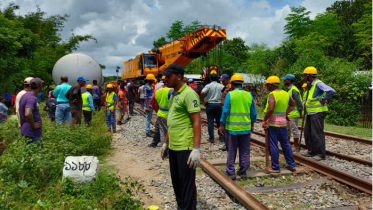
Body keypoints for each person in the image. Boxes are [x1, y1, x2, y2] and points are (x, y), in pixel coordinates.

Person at [160, 63, 201, 210]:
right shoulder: (173, 94)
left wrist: (196, 149)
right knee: (176, 182)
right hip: (174, 146)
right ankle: (180, 207)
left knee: (187, 184)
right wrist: (165, 142)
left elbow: (197, 121)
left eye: (168, 76)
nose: (166, 80)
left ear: (179, 76)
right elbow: (172, 121)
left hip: (185, 146)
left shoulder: (189, 94)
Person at [219, 74, 257, 180]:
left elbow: (225, 110)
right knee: (245, 150)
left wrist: (222, 123)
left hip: (232, 129)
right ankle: (243, 170)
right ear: (241, 84)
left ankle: (230, 172)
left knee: (231, 150)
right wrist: (252, 125)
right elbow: (253, 113)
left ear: (232, 84)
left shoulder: (230, 95)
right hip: (245, 128)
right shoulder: (249, 95)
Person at [262, 76, 296, 173]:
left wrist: (265, 120)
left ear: (271, 85)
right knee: (285, 144)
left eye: (267, 85)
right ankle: (291, 165)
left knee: (273, 145)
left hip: (273, 124)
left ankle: (275, 167)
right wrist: (285, 113)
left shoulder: (272, 94)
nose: (267, 87)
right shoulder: (285, 94)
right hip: (282, 124)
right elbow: (292, 104)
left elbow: (271, 108)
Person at [302, 67, 335, 161]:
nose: (304, 77)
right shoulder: (311, 85)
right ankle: (311, 150)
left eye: (305, 75)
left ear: (309, 75)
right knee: (308, 132)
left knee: (317, 133)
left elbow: (331, 91)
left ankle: (320, 153)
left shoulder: (318, 83)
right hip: (310, 112)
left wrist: (323, 99)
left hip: (318, 112)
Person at [281, 74, 303, 151]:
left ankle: (296, 146)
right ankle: (287, 144)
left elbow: (299, 102)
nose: (284, 81)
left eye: (285, 80)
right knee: (287, 129)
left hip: (294, 114)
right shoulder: (289, 89)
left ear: (289, 80)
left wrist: (300, 113)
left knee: (294, 129)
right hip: (288, 114)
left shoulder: (294, 90)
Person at [148, 78, 173, 147]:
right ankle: (168, 146)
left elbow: (155, 103)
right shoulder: (170, 91)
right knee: (169, 131)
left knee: (159, 130)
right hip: (168, 115)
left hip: (160, 113)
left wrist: (157, 111)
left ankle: (156, 143)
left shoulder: (157, 91)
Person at [19, 78, 43, 145]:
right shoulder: (32, 98)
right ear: (40, 87)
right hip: (32, 133)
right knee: (35, 154)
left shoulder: (25, 95)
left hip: (26, 130)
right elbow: (28, 113)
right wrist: (34, 125)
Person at [201, 74, 224, 143]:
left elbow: (202, 93)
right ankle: (221, 137)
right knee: (219, 121)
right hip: (219, 105)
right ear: (217, 79)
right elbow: (225, 93)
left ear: (210, 79)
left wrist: (203, 101)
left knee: (210, 121)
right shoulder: (221, 86)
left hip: (210, 105)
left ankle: (211, 138)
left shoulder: (208, 86)